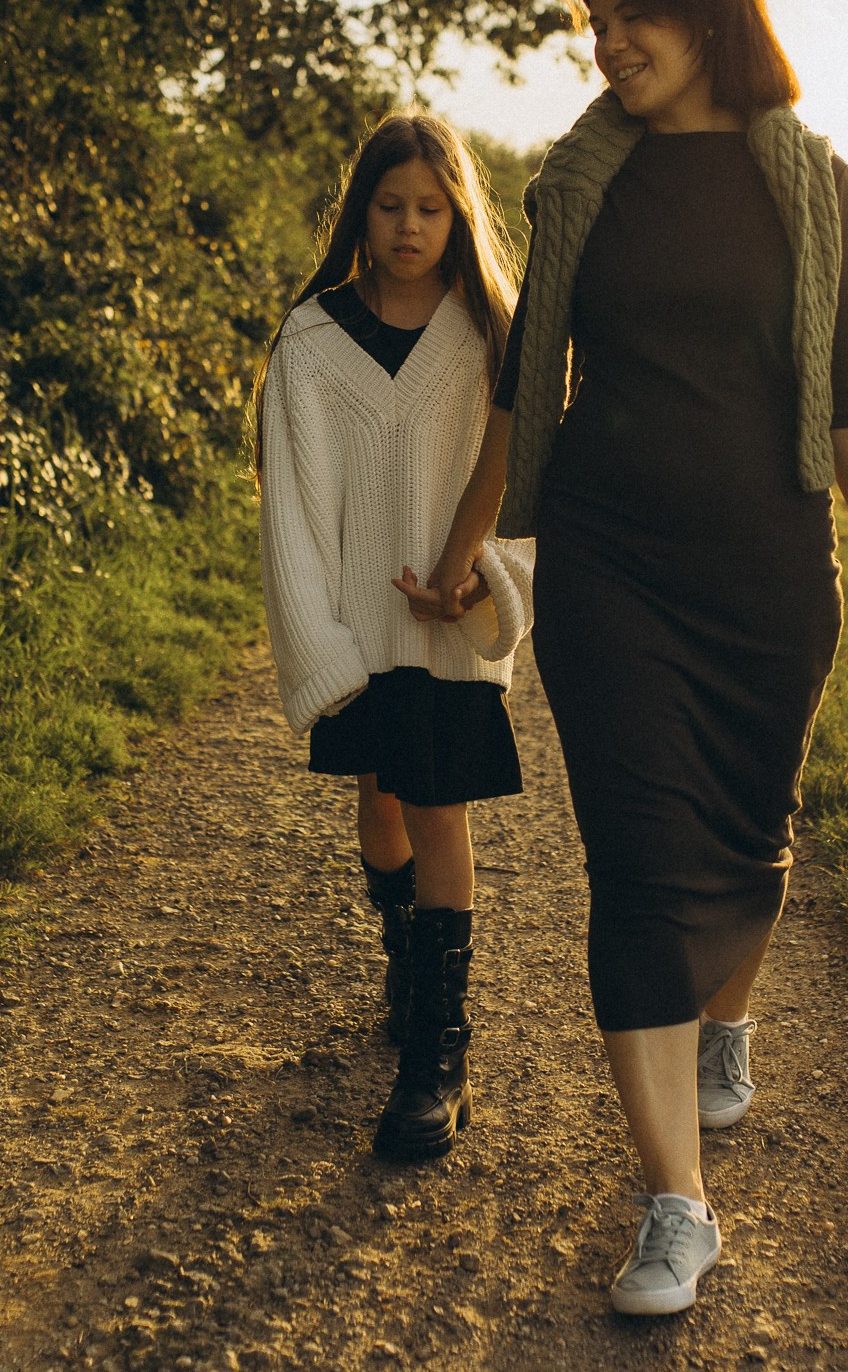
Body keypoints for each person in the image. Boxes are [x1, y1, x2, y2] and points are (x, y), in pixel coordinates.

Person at [417, 0, 848, 1315]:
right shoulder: (585, 183)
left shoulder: (810, 181)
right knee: (640, 867)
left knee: (749, 849)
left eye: (632, 12)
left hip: (767, 568)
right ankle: (672, 1203)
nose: (609, 42)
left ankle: (728, 1017)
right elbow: (527, 384)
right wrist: (469, 546)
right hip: (613, 564)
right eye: (595, 18)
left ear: (712, 16)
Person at [256, 112, 535, 1162]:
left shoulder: (488, 337)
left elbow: (528, 484)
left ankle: (437, 1050)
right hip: (360, 623)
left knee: (438, 814)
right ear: (360, 214)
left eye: (431, 206)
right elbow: (288, 502)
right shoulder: (314, 338)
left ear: (458, 212)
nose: (411, 224)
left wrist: (486, 582)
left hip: (453, 633)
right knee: (381, 807)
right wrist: (318, 641)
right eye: (391, 205)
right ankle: (403, 949)